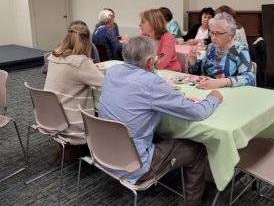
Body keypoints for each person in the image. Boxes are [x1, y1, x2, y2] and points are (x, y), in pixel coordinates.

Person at [98, 36, 223, 206]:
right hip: (134, 164)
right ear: (150, 62)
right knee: (197, 148)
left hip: (103, 152)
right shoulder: (151, 82)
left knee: (159, 131)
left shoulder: (112, 71)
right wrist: (213, 98)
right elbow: (196, 112)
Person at [44, 22, 104, 145]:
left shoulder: (53, 57)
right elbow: (105, 85)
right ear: (87, 42)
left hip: (51, 117)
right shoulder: (81, 62)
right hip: (73, 126)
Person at [188, 12, 255, 89]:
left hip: (230, 93)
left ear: (230, 35)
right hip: (207, 90)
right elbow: (200, 72)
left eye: (218, 33)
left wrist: (223, 82)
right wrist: (193, 62)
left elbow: (249, 77)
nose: (213, 37)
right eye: (211, 32)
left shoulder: (239, 50)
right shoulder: (211, 47)